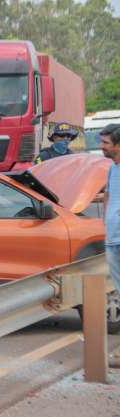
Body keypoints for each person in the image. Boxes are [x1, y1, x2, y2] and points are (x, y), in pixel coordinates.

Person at [99, 124, 120, 368]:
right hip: (113, 238)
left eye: (105, 143)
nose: (102, 147)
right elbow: (108, 195)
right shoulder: (112, 169)